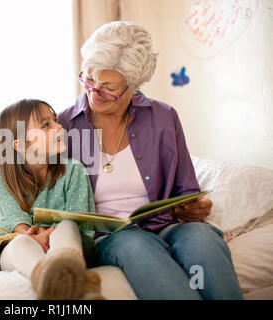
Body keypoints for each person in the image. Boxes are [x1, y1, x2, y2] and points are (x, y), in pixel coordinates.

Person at [57, 21, 243, 299]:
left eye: (108, 87)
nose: (93, 91)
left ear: (133, 85)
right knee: (136, 244)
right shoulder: (64, 124)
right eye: (89, 78)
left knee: (202, 239)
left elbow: (186, 191)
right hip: (108, 236)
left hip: (165, 225)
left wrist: (194, 207)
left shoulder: (164, 117)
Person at [0, 99, 103, 300]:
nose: (59, 127)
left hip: (62, 242)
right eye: (46, 125)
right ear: (21, 145)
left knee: (68, 226)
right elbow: (14, 220)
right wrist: (34, 237)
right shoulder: (0, 178)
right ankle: (47, 278)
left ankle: (69, 270)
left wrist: (49, 233)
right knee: (19, 243)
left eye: (55, 120)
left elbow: (80, 220)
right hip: (21, 238)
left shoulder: (74, 170)